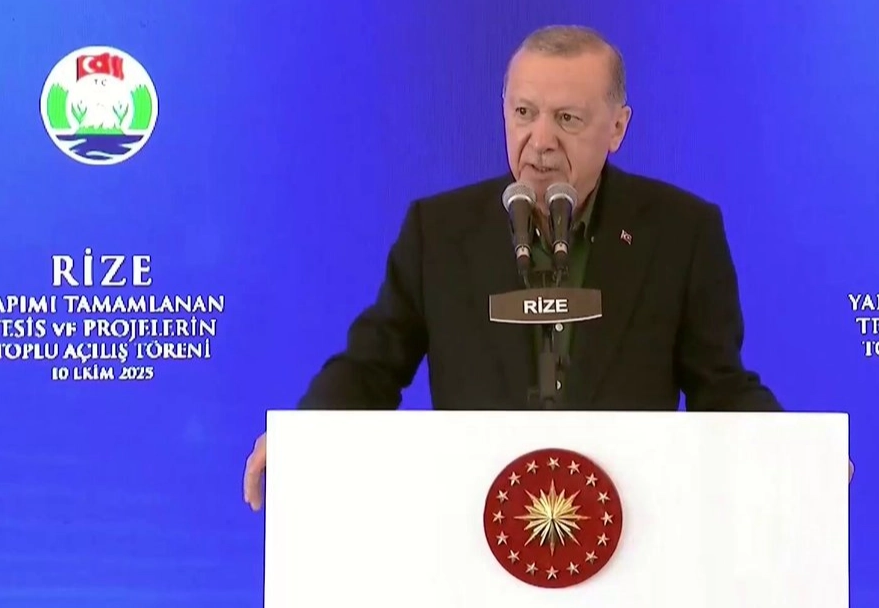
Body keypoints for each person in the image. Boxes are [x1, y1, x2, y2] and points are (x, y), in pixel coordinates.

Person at [244, 25, 852, 510]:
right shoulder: (439, 231)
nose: (539, 141)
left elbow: (719, 384)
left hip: (630, 529)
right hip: (473, 525)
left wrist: (797, 451)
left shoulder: (681, 231)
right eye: (523, 112)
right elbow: (372, 365)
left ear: (617, 128)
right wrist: (304, 435)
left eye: (567, 119)